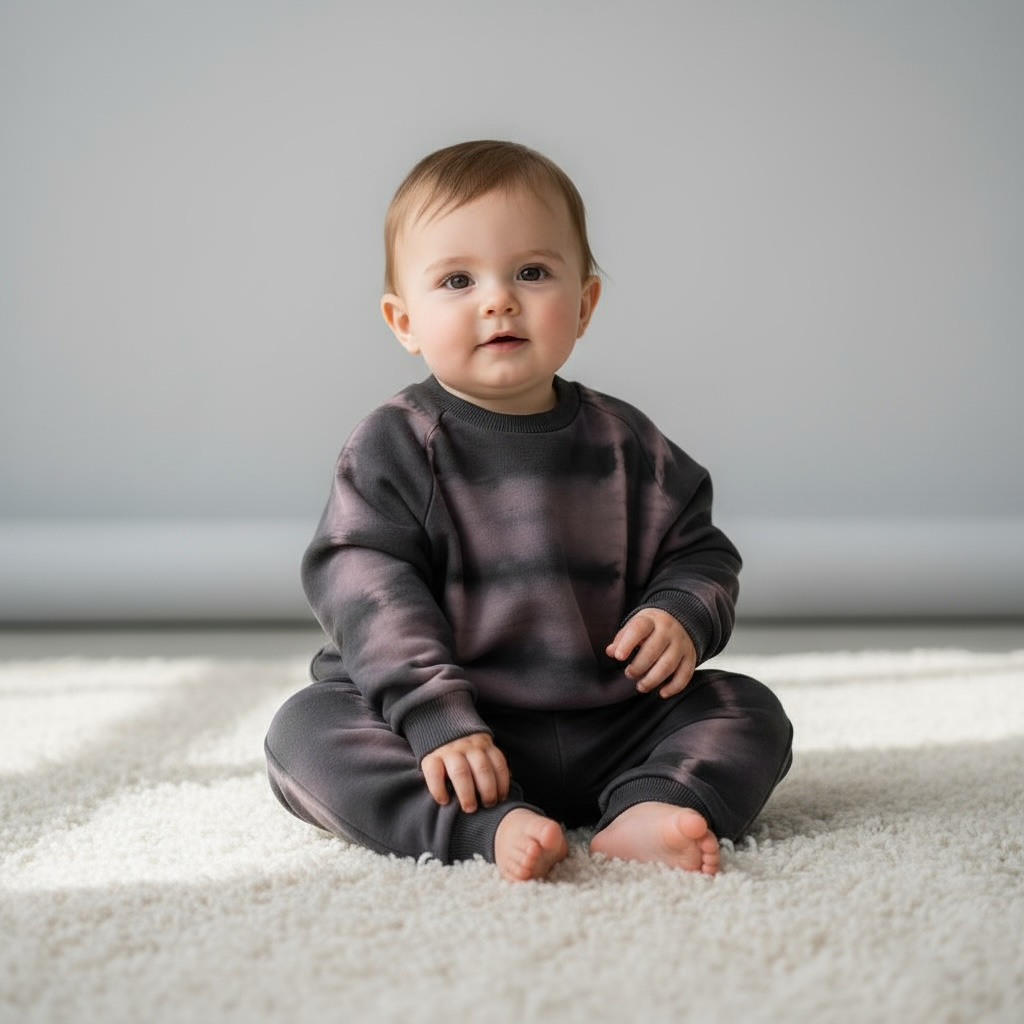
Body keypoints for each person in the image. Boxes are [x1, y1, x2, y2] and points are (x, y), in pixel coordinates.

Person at [265, 140, 792, 882]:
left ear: (583, 304)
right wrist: (435, 715)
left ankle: (650, 803)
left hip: (613, 718)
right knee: (305, 734)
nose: (498, 299)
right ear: (403, 320)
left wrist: (680, 612)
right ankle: (487, 825)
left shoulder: (627, 442)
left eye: (533, 273)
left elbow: (701, 551)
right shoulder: (397, 444)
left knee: (748, 710)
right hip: (453, 732)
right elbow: (365, 587)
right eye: (456, 279)